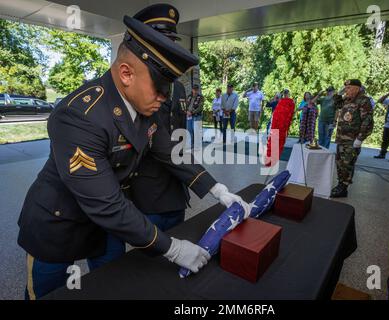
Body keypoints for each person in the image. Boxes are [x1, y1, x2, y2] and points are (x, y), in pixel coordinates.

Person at [16, 4, 239, 300]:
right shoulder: (79, 115)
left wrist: (219, 189)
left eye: (167, 88)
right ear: (125, 73)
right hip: (59, 223)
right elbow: (106, 204)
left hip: (105, 224)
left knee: (112, 284)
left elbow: (170, 151)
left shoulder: (145, 105)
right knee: (48, 293)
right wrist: (173, 249)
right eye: (159, 88)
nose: (164, 98)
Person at [129, 6, 249, 232]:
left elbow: (179, 140)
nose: (168, 49)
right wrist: (215, 188)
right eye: (160, 42)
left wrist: (215, 188)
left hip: (178, 186)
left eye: (170, 42)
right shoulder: (138, 89)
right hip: (150, 191)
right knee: (152, 260)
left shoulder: (177, 89)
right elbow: (161, 145)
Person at [331, 79, 374, 198]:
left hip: (352, 140)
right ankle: (340, 184)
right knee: (340, 163)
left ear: (357, 88)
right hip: (342, 139)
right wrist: (339, 93)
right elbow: (336, 104)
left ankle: (344, 187)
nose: (346, 90)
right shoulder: (346, 99)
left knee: (347, 164)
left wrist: (360, 139)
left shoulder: (363, 100)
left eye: (349, 88)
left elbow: (367, 121)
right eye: (345, 88)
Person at [265, 89, 295, 166]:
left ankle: (271, 160)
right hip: (280, 125)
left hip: (279, 124)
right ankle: (272, 159)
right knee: (277, 142)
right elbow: (290, 115)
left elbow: (290, 114)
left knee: (274, 141)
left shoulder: (284, 102)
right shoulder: (283, 101)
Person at [186, 84, 204, 148]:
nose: (195, 91)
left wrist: (192, 112)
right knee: (189, 130)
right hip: (188, 116)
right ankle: (190, 144)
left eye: (196, 89)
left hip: (197, 116)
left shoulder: (201, 97)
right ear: (192, 89)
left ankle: (197, 145)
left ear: (198, 90)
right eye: (194, 89)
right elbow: (185, 105)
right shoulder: (189, 96)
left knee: (196, 131)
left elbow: (200, 108)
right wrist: (187, 111)